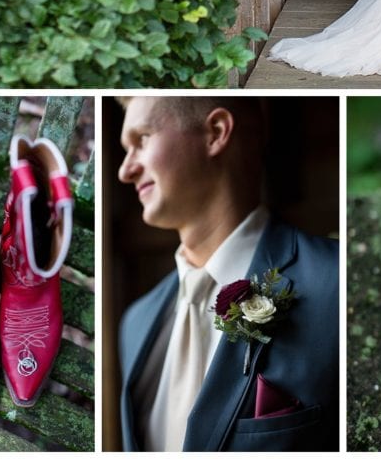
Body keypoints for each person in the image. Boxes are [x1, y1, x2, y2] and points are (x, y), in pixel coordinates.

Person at [117, 97, 338, 451]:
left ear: (215, 133)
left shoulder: (335, 282)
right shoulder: (135, 323)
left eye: (141, 140)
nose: (125, 170)